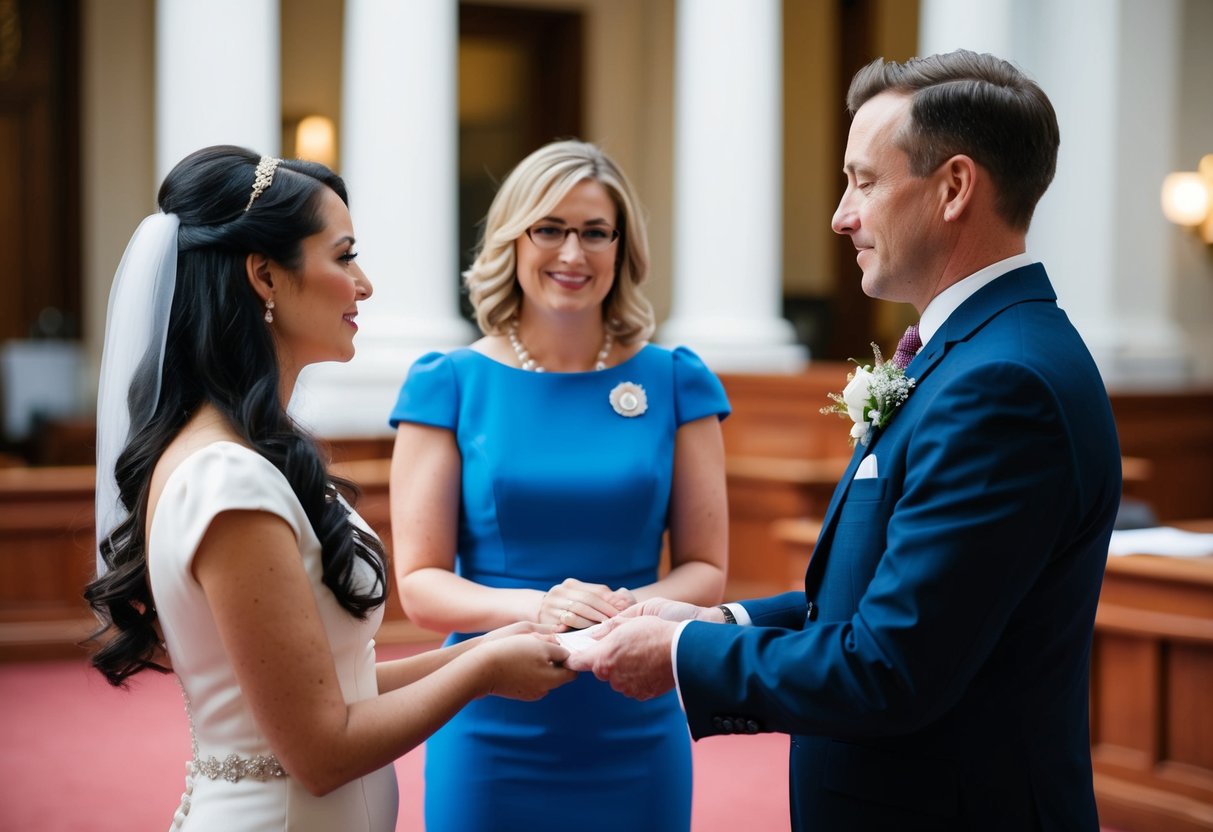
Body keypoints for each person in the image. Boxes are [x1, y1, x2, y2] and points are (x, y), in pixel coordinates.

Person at [568, 49, 1122, 831]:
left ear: (954, 187)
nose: (840, 214)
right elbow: (883, 601)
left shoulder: (1004, 384)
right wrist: (712, 623)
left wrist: (678, 655)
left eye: (863, 180)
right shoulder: (972, 354)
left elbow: (890, 667)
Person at [82, 145, 575, 831]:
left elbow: (335, 686)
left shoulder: (245, 453)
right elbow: (319, 750)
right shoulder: (228, 479)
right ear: (265, 277)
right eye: (343, 257)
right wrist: (485, 672)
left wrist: (496, 640)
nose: (363, 284)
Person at [387, 139, 730, 831]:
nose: (572, 254)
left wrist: (613, 620)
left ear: (620, 248)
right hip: (488, 716)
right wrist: (542, 610)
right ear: (514, 239)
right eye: (549, 229)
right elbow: (421, 585)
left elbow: (706, 569)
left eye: (594, 232)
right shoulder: (447, 383)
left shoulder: (675, 380)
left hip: (636, 705)